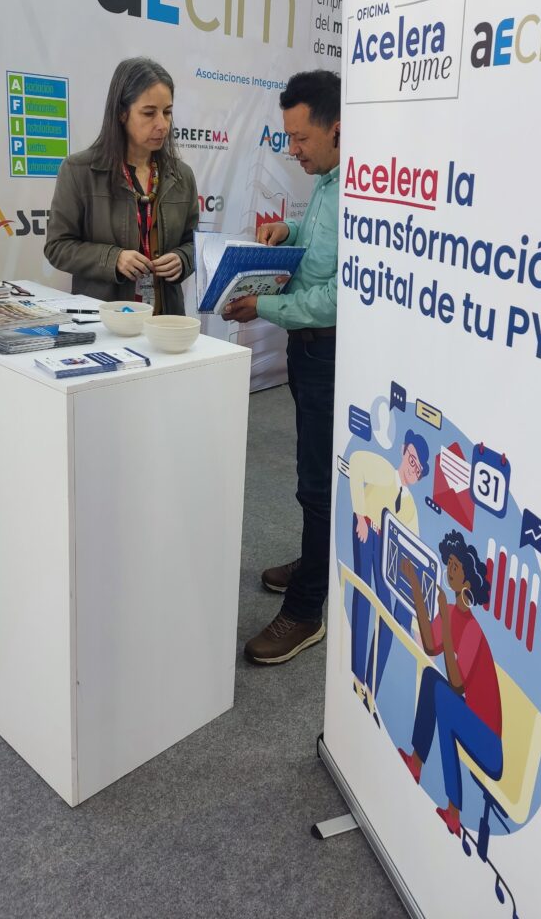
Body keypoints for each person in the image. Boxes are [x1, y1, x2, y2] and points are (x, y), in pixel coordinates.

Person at [224, 70, 340, 664]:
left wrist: (263, 306)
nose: (292, 150)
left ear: (337, 129)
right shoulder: (327, 181)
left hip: (330, 351)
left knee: (318, 485)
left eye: (300, 138)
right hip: (308, 351)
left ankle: (307, 608)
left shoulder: (361, 191)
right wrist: (287, 228)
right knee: (312, 478)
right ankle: (316, 559)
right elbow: (319, 246)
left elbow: (339, 297)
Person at [45, 57, 199, 314]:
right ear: (121, 113)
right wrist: (113, 259)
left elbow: (195, 244)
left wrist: (183, 259)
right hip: (104, 321)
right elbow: (57, 247)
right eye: (149, 113)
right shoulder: (79, 170)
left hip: (164, 321)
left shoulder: (182, 175)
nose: (162, 124)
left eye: (167, 112)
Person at [398, 530, 503, 839]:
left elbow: (457, 683)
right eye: (450, 564)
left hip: (489, 743)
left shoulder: (473, 630)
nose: (449, 570)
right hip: (469, 718)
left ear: (467, 581)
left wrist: (444, 617)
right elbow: (430, 646)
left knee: (444, 697)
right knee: (432, 679)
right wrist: (416, 586)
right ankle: (417, 762)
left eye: (455, 566)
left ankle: (454, 812)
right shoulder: (453, 614)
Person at [348, 430, 429, 721]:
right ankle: (358, 677)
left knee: (390, 616)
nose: (412, 469)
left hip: (385, 550)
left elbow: (413, 554)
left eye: (418, 469)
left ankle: (371, 689)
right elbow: (356, 464)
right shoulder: (384, 472)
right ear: (404, 451)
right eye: (412, 460)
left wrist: (417, 622)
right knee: (364, 596)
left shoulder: (410, 507)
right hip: (366, 529)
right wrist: (360, 516)